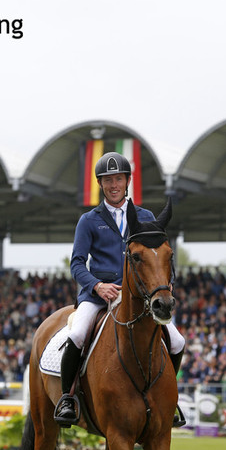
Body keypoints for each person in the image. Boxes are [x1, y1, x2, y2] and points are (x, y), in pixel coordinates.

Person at [52, 151, 185, 426]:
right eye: (108, 180)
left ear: (127, 181)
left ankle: (169, 400)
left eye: (119, 179)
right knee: (77, 333)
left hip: (139, 296)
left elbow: (162, 256)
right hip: (100, 295)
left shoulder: (146, 216)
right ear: (101, 184)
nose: (114, 185)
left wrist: (166, 282)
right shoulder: (89, 220)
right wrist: (97, 286)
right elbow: (77, 264)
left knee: (178, 341)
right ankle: (68, 398)